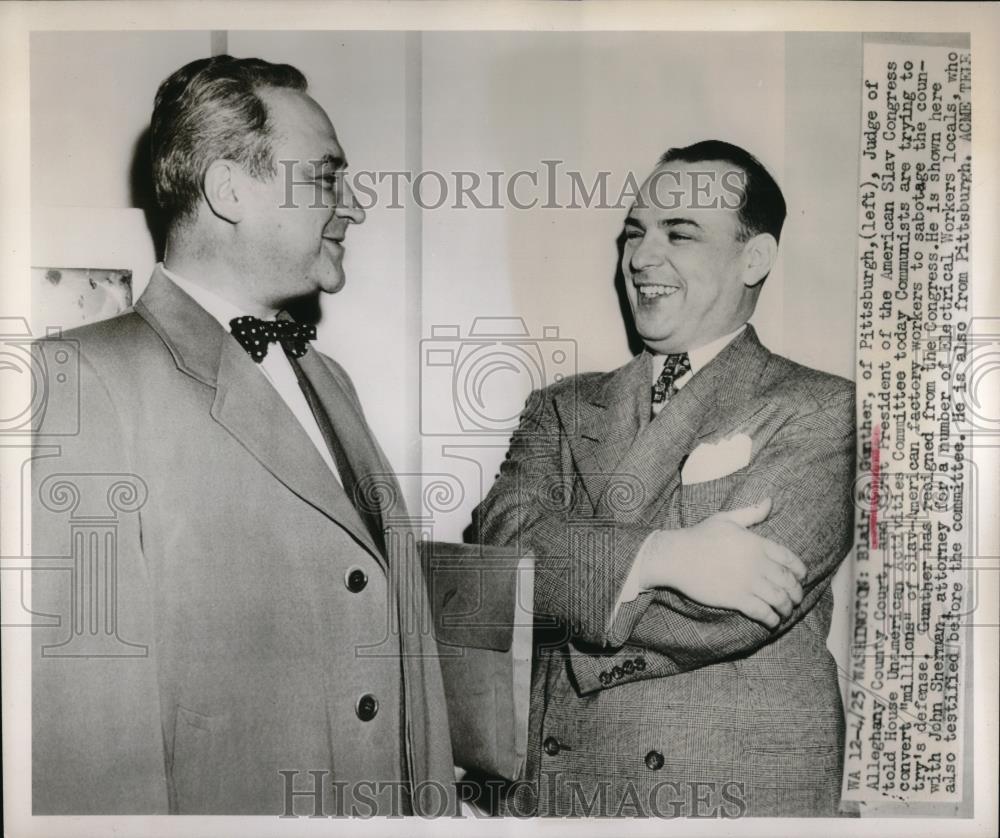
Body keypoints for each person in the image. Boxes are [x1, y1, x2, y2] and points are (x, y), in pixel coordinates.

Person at [31, 55, 454, 816]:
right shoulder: (84, 378)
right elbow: (87, 728)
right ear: (229, 190)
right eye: (326, 178)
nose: (353, 206)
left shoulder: (329, 379)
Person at [473, 140, 855, 817]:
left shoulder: (824, 408)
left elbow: (731, 613)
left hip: (729, 798)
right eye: (635, 234)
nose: (642, 258)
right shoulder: (561, 405)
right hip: (561, 797)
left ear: (754, 257)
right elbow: (498, 563)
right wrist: (664, 556)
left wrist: (566, 608)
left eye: (679, 233)